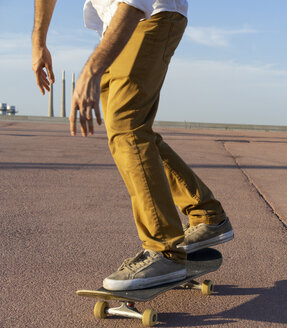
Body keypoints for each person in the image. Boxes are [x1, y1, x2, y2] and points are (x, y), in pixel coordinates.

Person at [31, 0, 234, 291]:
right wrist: (39, 43)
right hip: (116, 25)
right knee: (130, 132)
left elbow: (134, 2)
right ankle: (207, 214)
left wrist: (91, 70)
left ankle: (165, 251)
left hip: (148, 14)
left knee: (126, 126)